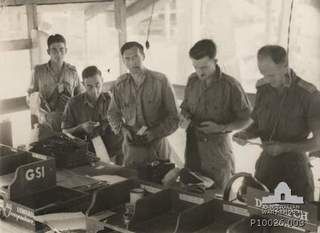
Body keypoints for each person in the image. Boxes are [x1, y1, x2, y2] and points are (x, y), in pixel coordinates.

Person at [233, 45, 320, 201]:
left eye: (271, 75)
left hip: (295, 172)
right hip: (266, 170)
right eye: (263, 74)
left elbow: (318, 142)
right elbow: (258, 124)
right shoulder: (263, 88)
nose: (267, 80)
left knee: (293, 222)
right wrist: (246, 133)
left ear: (285, 66)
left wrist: (284, 147)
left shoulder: (308, 94)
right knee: (260, 219)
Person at [180, 39, 252, 191]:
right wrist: (184, 117)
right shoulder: (192, 80)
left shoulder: (230, 85)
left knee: (218, 199)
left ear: (215, 61)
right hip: (192, 149)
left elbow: (247, 119)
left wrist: (221, 127)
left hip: (217, 154)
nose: (200, 72)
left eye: (204, 67)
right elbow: (185, 107)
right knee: (192, 196)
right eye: (195, 67)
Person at [107, 41, 179, 168]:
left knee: (160, 183)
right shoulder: (120, 84)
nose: (132, 62)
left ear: (143, 56)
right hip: (132, 149)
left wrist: (155, 133)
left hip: (158, 145)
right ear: (123, 61)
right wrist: (122, 130)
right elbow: (113, 114)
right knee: (134, 183)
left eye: (135, 57)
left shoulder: (160, 81)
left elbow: (174, 117)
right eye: (127, 59)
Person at [62, 66, 123, 165]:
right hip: (87, 154)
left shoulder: (111, 100)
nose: (94, 91)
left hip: (113, 151)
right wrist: (81, 127)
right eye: (89, 86)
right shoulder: (73, 103)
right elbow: (65, 132)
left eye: (97, 85)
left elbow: (122, 123)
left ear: (102, 81)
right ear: (83, 85)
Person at [27, 34, 83, 135]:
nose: (58, 54)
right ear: (48, 52)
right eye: (54, 50)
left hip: (69, 121)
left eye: (61, 49)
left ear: (66, 50)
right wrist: (40, 113)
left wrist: (73, 103)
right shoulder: (38, 71)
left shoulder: (72, 71)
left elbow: (81, 96)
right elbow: (30, 98)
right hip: (46, 122)